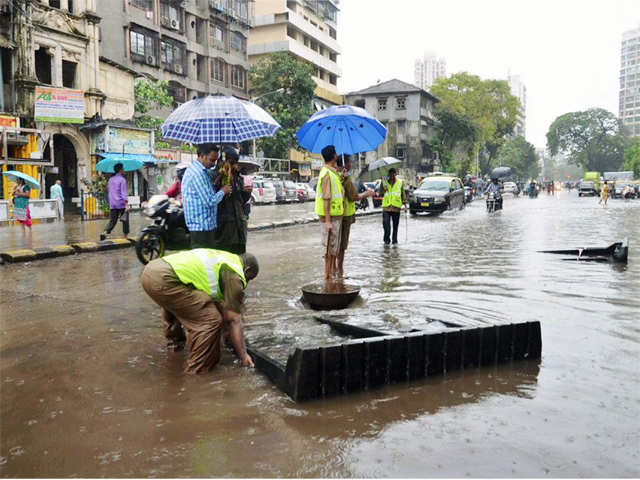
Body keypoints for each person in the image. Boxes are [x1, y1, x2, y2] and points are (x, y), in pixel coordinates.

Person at [140, 248, 259, 374]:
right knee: (210, 320)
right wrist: (244, 355)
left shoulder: (225, 258)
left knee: (183, 303)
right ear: (247, 270)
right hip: (164, 279)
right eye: (249, 279)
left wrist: (225, 332)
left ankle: (175, 350)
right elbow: (233, 320)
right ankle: (197, 373)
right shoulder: (235, 275)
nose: (246, 283)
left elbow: (216, 301)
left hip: (151, 271)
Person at [182, 144, 231, 249]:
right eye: (211, 160)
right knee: (204, 262)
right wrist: (223, 191)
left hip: (204, 226)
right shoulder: (197, 174)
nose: (213, 164)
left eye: (215, 161)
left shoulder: (202, 172)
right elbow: (210, 201)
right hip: (201, 228)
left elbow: (207, 191)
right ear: (202, 156)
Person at [337, 155, 374, 277]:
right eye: (349, 162)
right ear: (345, 164)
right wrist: (367, 193)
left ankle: (336, 270)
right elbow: (354, 196)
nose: (351, 164)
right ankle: (340, 271)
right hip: (345, 214)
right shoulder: (345, 178)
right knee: (342, 245)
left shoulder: (337, 176)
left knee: (337, 244)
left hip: (338, 213)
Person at [212, 147, 252, 255]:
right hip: (224, 228)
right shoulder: (216, 177)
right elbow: (212, 201)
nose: (235, 165)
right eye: (232, 162)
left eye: (236, 162)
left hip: (239, 224)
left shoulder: (237, 177)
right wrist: (222, 189)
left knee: (240, 257)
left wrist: (246, 192)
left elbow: (241, 201)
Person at [315, 145, 344, 280]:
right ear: (334, 156)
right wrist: (327, 221)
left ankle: (331, 276)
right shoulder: (327, 174)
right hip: (330, 218)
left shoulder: (332, 173)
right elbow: (326, 198)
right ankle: (328, 278)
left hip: (335, 216)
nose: (337, 155)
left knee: (333, 249)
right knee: (329, 250)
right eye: (336, 153)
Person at [100, 163, 129, 240]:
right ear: (120, 170)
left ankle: (105, 232)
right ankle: (125, 236)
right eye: (123, 169)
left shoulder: (110, 179)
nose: (124, 170)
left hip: (113, 203)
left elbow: (110, 191)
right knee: (125, 220)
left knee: (113, 220)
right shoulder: (122, 180)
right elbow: (123, 193)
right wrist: (126, 205)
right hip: (121, 203)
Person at [380, 168, 406, 245]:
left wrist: (405, 205)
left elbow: (403, 194)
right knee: (386, 225)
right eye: (390, 174)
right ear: (388, 174)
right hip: (386, 207)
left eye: (393, 174)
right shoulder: (384, 182)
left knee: (395, 226)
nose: (391, 176)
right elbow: (381, 193)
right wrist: (383, 187)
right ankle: (386, 240)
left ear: (395, 174)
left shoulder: (400, 182)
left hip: (396, 208)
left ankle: (394, 241)